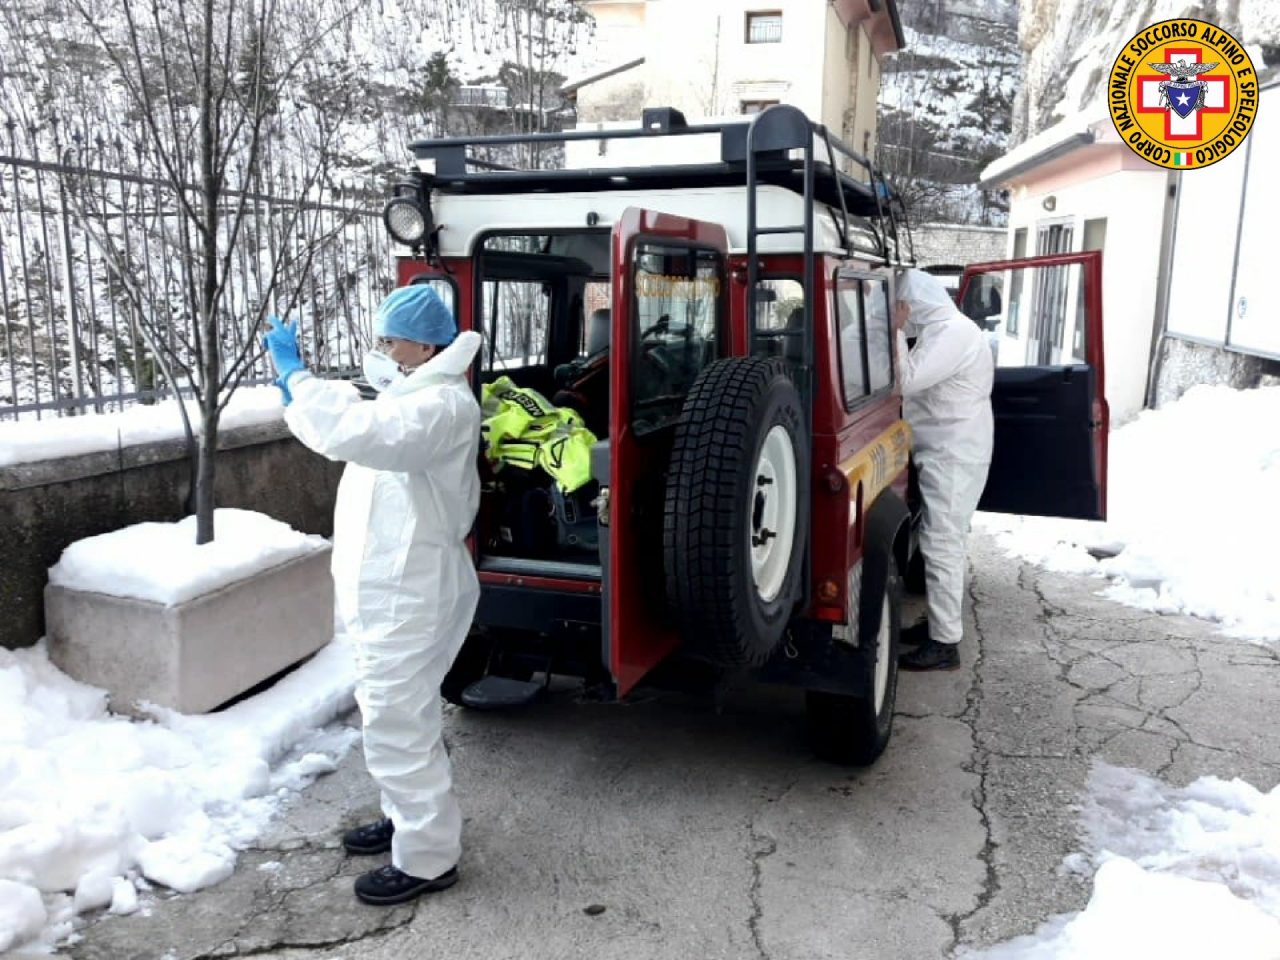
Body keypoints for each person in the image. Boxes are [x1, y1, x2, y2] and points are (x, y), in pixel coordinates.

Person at [261, 285, 482, 905]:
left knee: (396, 718)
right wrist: (301, 388)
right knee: (394, 712)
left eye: (389, 340)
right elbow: (367, 426)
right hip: (391, 588)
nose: (380, 351)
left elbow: (361, 433)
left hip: (411, 590)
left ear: (424, 344)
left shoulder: (439, 405)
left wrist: (298, 378)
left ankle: (428, 856)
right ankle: (406, 816)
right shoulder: (411, 395)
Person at [892, 268, 994, 672]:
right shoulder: (943, 331)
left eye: (902, 307)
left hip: (954, 453)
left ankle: (944, 644)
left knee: (942, 545)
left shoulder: (954, 332)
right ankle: (938, 625)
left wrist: (897, 331)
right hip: (945, 449)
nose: (902, 314)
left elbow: (907, 380)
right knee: (939, 541)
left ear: (914, 302)